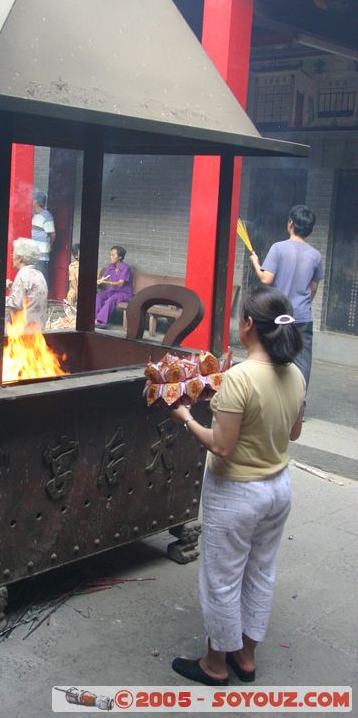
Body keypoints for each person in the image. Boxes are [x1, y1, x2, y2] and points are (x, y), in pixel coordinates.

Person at [169, 286, 304, 686]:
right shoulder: (295, 373)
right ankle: (245, 657)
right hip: (278, 489)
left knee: (222, 576)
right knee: (261, 572)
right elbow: (293, 431)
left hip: (238, 494)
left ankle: (214, 664)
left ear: (247, 325)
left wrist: (186, 418)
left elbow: (222, 446)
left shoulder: (240, 378)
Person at [249, 205, 323, 390]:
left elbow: (266, 279)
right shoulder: (315, 255)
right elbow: (313, 288)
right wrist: (304, 304)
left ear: (290, 224)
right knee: (302, 360)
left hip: (278, 314)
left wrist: (256, 263)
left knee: (272, 356)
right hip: (302, 315)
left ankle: (274, 400)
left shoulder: (278, 248)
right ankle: (298, 405)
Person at [6, 237, 48, 330]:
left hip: (23, 332)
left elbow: (15, 304)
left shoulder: (22, 275)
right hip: (38, 330)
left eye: (14, 254)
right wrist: (12, 289)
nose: (12, 256)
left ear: (20, 258)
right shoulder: (39, 274)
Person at [95, 245, 133, 326]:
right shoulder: (110, 266)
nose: (110, 257)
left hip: (124, 293)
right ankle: (96, 318)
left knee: (111, 300)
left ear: (120, 257)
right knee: (99, 296)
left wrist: (107, 283)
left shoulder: (125, 267)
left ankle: (101, 322)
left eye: (113, 255)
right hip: (113, 291)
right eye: (110, 255)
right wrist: (99, 281)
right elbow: (104, 278)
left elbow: (120, 283)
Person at [31, 191, 55, 285]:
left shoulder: (46, 216)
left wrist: (50, 245)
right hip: (34, 255)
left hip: (41, 256)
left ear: (36, 201)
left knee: (42, 282)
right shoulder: (36, 215)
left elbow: (52, 234)